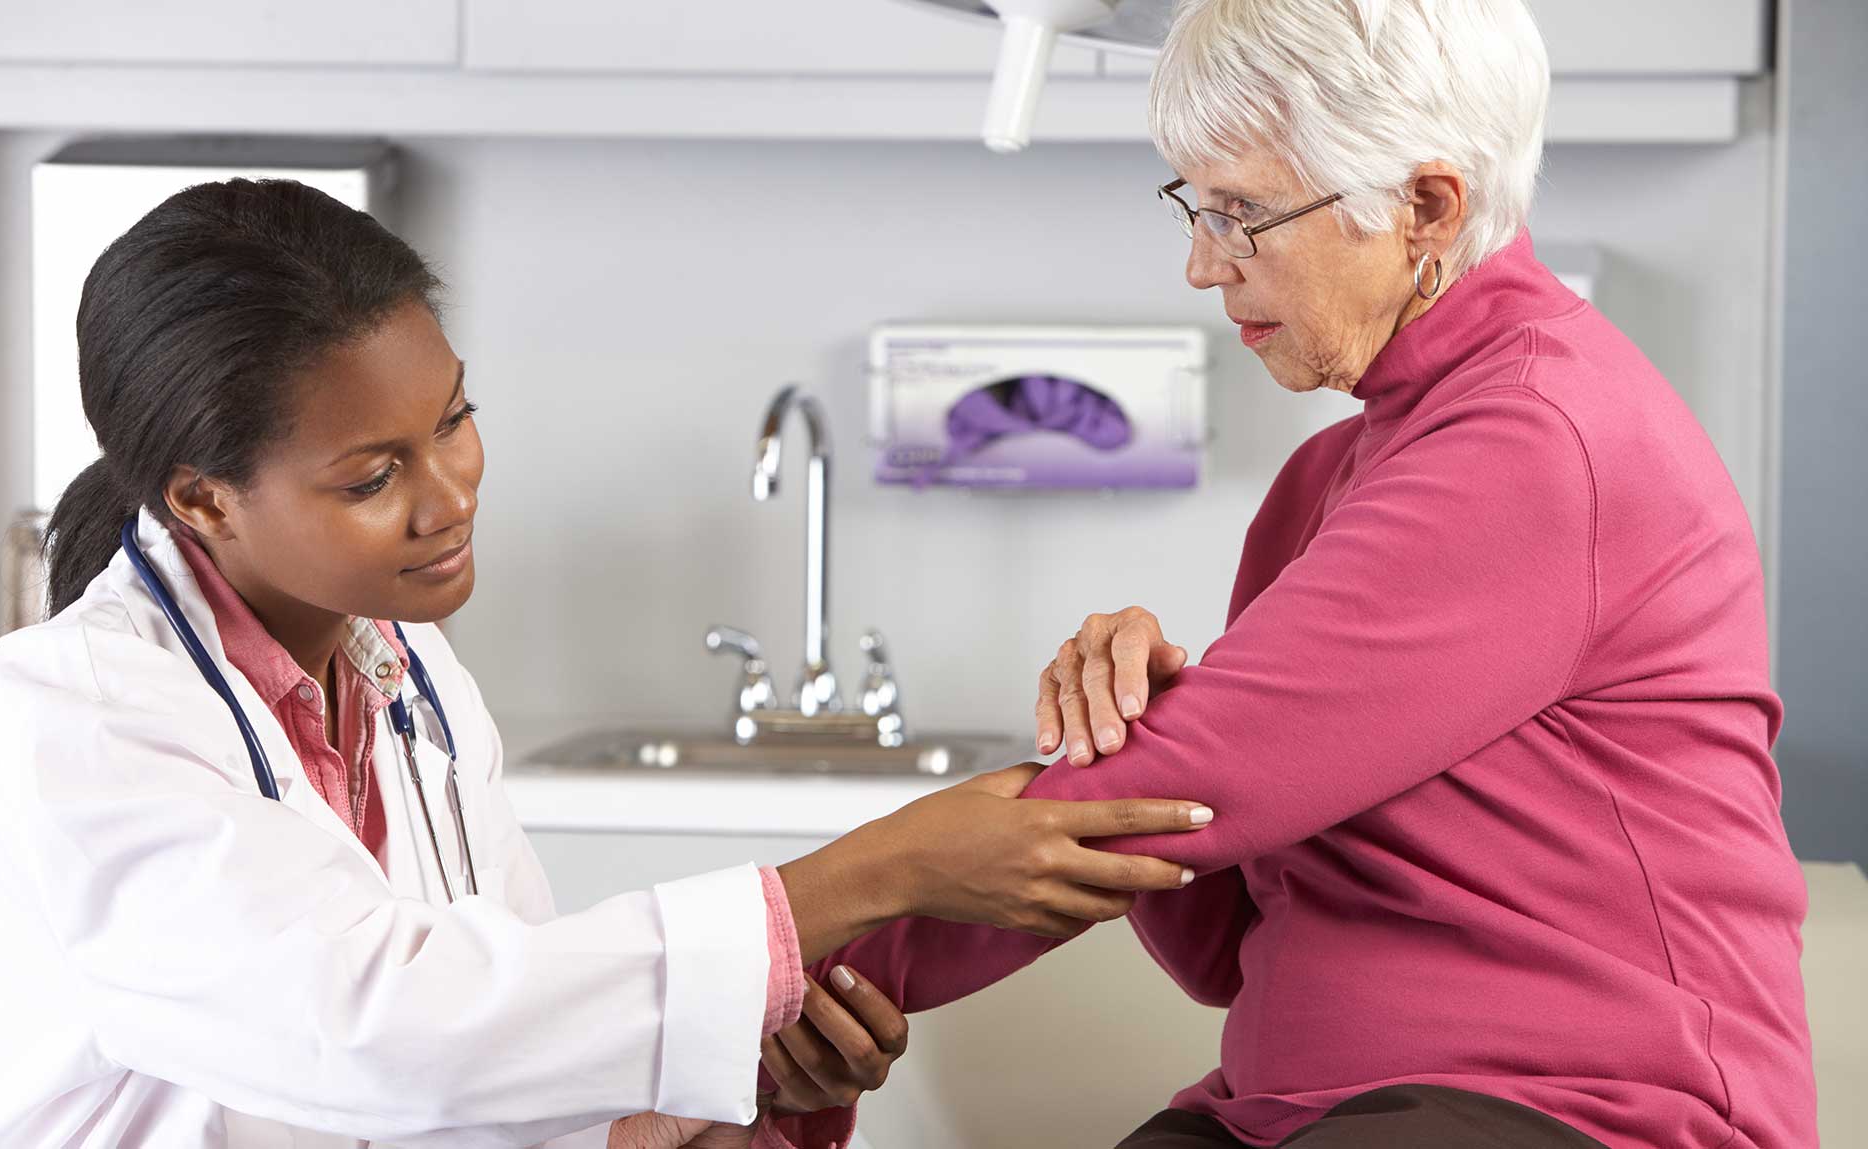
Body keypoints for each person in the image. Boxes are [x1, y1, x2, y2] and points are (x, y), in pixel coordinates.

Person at [0, 178, 1215, 1148]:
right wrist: (883, 869)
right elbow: (386, 1035)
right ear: (202, 501)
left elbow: (501, 1065)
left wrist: (729, 1088)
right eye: (374, 475)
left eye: (456, 421)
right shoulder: (85, 718)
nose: (448, 497)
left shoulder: (409, 681)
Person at [777, 1, 1817, 1147]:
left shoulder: (1534, 438)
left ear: (1424, 208)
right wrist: (1136, 724)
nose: (1197, 265)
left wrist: (784, 977)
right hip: (1297, 1109)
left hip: (1586, 1113)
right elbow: (1214, 928)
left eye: (1241, 214)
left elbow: (1168, 804)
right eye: (1194, 205)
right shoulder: (1331, 473)